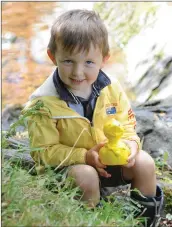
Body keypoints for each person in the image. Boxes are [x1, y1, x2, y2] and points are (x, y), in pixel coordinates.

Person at [22, 9, 163, 227]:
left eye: (89, 62)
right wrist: (84, 156)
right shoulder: (43, 103)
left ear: (104, 60)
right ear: (52, 57)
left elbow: (127, 125)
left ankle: (145, 221)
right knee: (86, 175)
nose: (78, 72)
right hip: (68, 172)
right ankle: (90, 220)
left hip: (107, 163)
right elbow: (44, 153)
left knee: (144, 162)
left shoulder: (111, 89)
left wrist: (130, 144)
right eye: (68, 61)